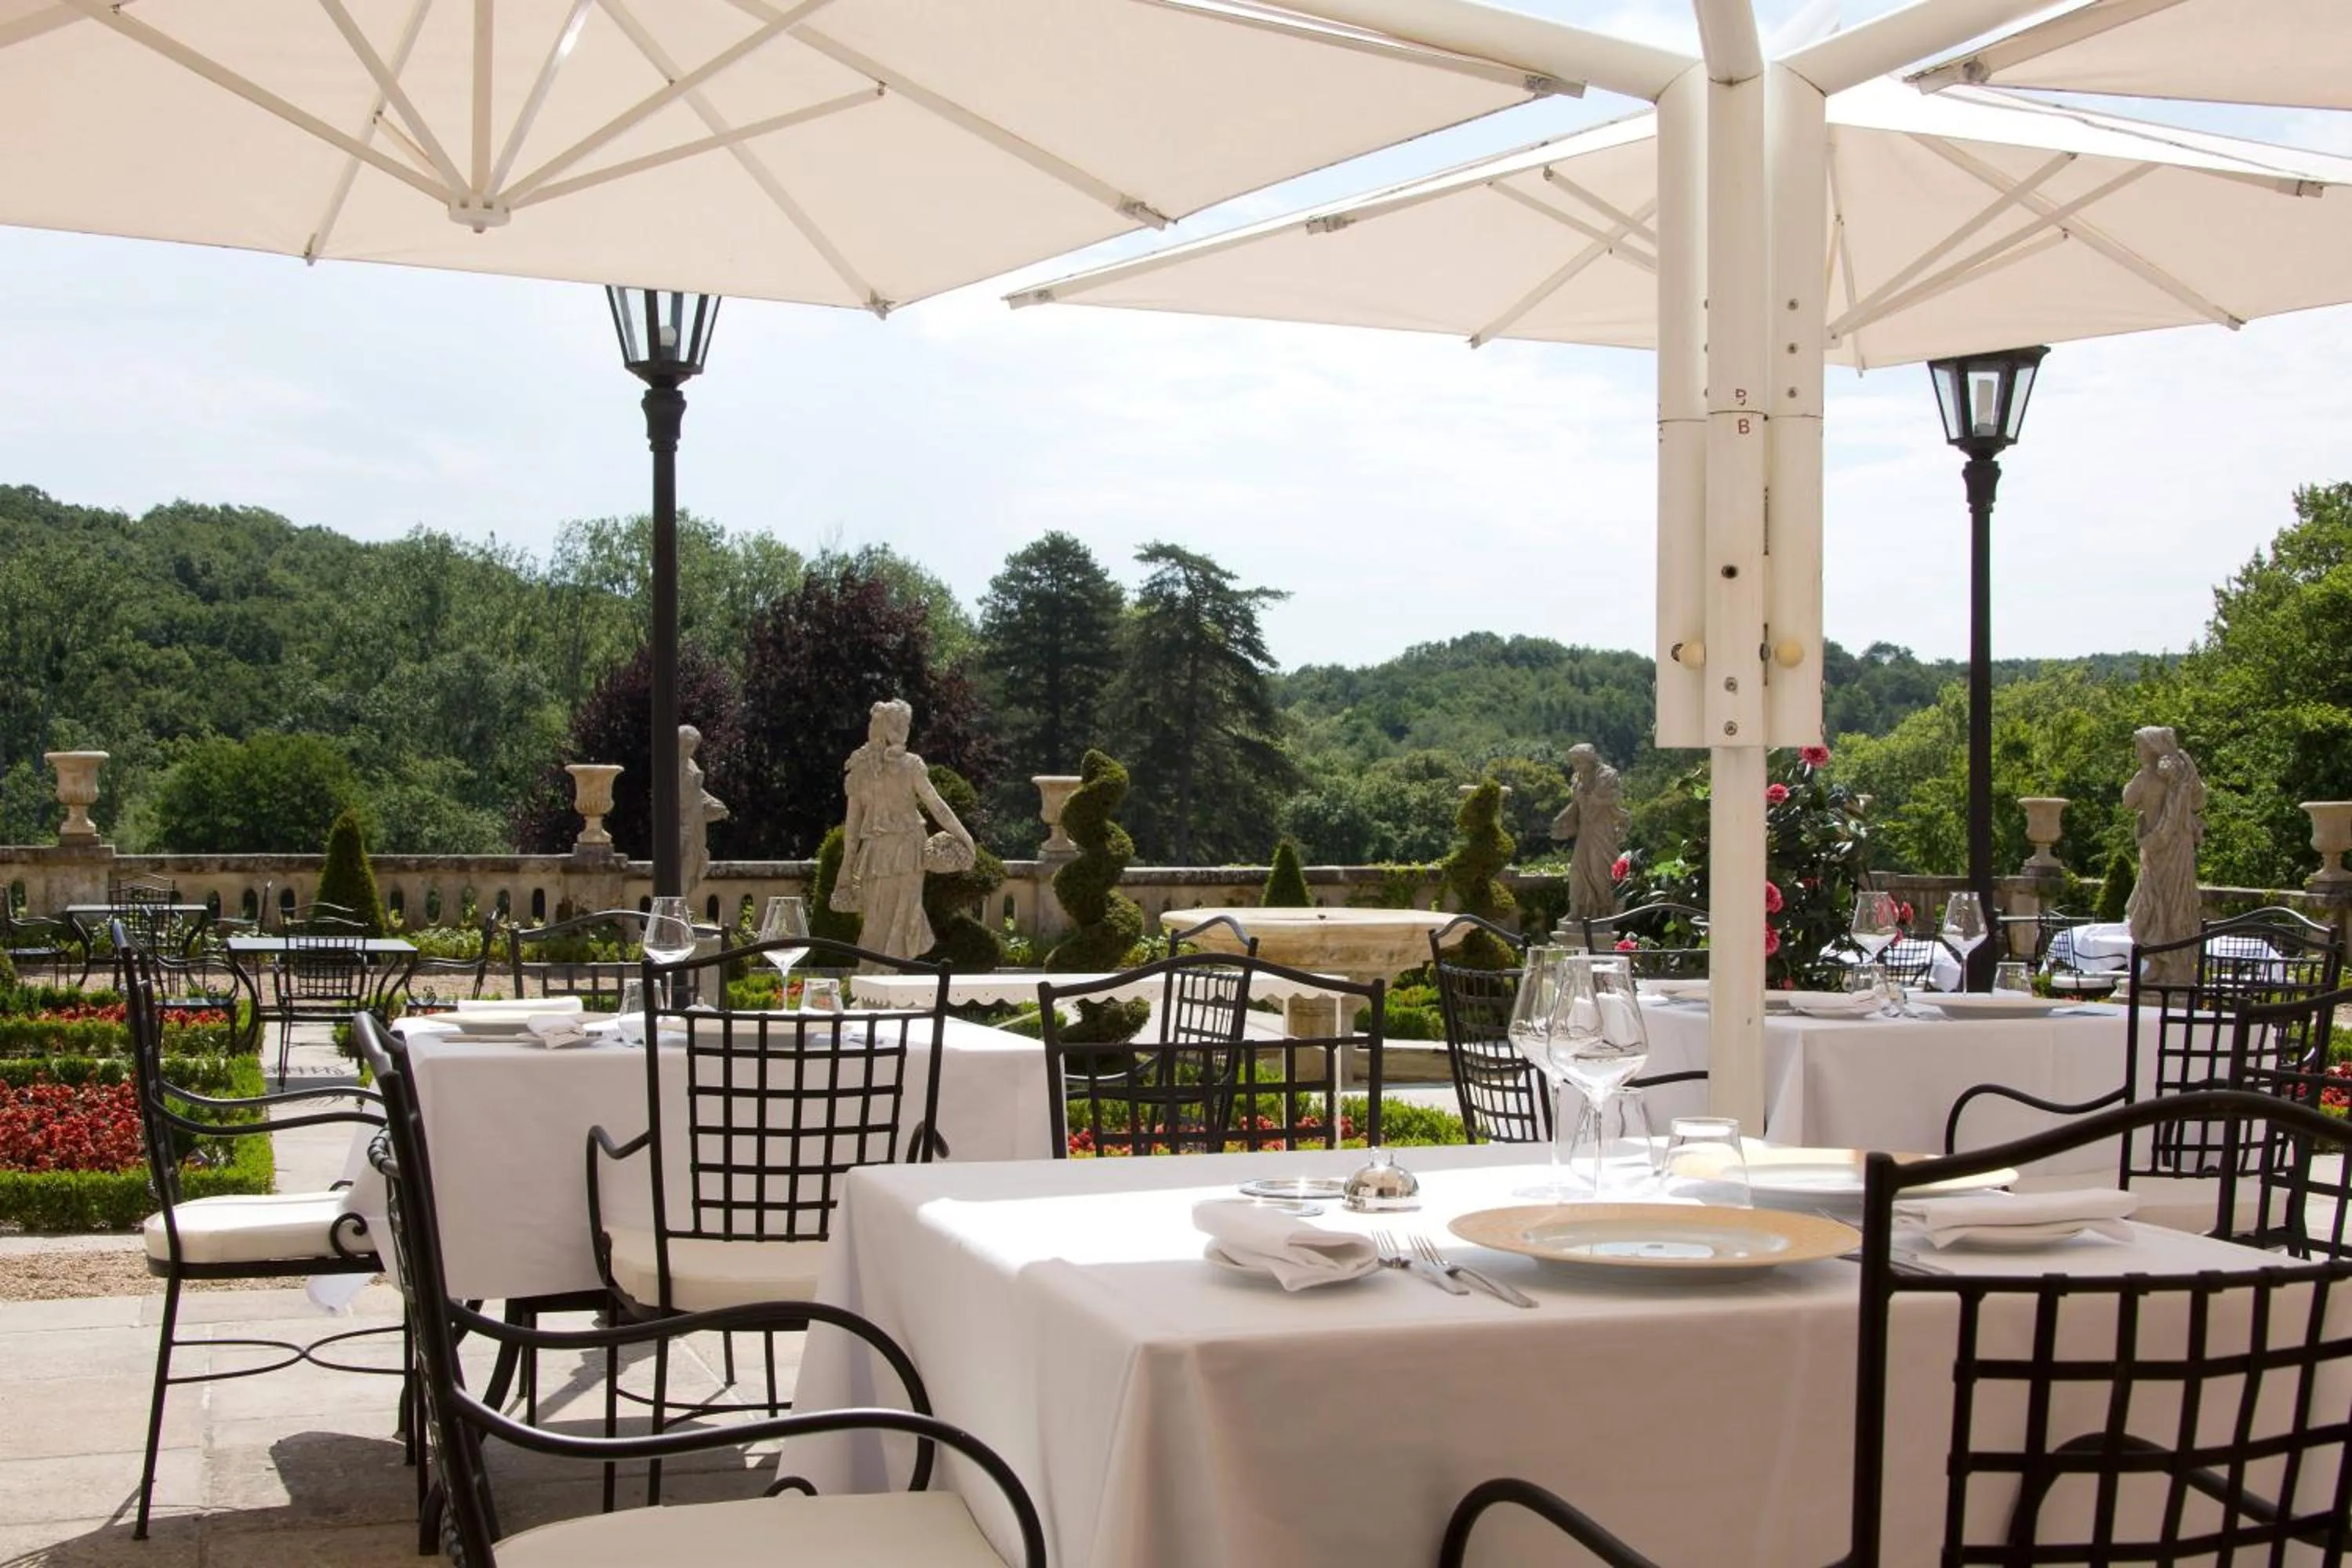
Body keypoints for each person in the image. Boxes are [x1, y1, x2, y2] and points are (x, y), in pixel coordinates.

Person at [833, 699, 975, 963]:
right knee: (889, 921)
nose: (906, 731)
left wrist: (847, 864)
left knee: (887, 920)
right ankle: (878, 984)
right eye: (903, 725)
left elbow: (852, 830)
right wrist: (965, 837)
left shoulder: (865, 769)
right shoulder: (901, 766)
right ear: (892, 728)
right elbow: (937, 806)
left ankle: (878, 981)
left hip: (890, 853)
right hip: (900, 852)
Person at [2122, 725, 2206, 985]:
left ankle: (2170, 966)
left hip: (2172, 851)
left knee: (2170, 904)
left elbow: (2128, 800)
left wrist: (2179, 780)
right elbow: (2200, 802)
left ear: (2153, 749)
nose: (2138, 752)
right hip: (2164, 850)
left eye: (2141, 747)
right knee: (2156, 905)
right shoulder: (2161, 775)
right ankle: (2162, 963)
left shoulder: (2155, 777)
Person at [1552, 744, 1629, 922]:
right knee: (1576, 871)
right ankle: (1577, 910)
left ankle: (1603, 912)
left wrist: (1592, 797)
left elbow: (1614, 798)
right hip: (1585, 830)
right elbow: (1576, 805)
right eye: (1574, 762)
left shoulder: (1607, 775)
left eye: (1579, 761)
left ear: (1590, 758)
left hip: (1602, 830)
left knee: (1598, 871)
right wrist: (1562, 819)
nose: (1576, 765)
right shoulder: (1577, 778)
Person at [677, 726, 728, 906]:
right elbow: (675, 797)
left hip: (695, 823)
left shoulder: (691, 764)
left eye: (692, 746)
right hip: (681, 826)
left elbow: (698, 793)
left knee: (692, 867)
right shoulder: (670, 768)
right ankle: (676, 911)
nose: (689, 750)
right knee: (681, 869)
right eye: (686, 745)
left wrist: (713, 804)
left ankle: (681, 909)